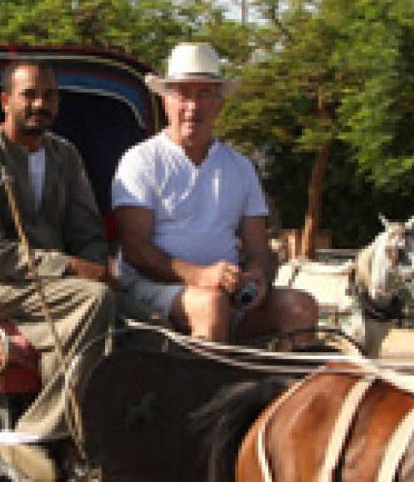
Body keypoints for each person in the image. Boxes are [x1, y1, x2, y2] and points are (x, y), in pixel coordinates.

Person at [0, 60, 115, 482]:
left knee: (142, 318)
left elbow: (87, 231)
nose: (41, 104)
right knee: (93, 301)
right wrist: (69, 268)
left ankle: (90, 445)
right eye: (29, 95)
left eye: (50, 95)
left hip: (53, 288)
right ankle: (33, 433)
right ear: (6, 101)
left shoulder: (64, 155)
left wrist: (96, 265)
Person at [113, 42, 317, 342]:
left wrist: (257, 276)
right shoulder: (141, 160)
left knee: (301, 307)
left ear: (219, 103)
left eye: (204, 94)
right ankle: (205, 388)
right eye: (183, 93)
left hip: (227, 289)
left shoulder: (241, 167)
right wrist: (199, 275)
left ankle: (283, 387)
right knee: (210, 305)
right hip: (150, 288)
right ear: (166, 101)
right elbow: (135, 249)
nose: (192, 107)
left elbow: (258, 249)